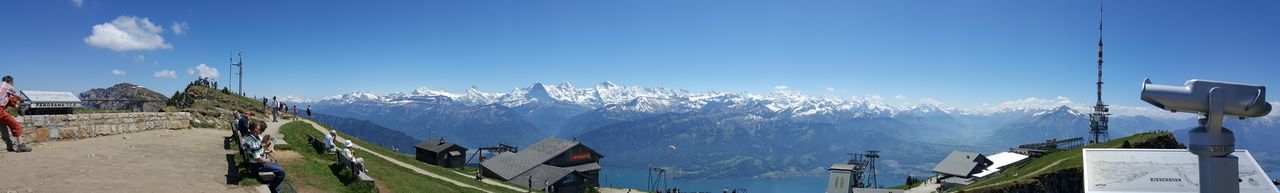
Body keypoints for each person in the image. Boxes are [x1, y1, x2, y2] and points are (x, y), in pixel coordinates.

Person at [245, 120, 286, 193]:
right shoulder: (252, 140)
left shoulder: (252, 136)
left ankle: (273, 186)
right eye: (258, 127)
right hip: (256, 165)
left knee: (277, 165)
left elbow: (257, 149)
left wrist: (264, 143)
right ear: (255, 129)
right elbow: (258, 159)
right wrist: (268, 160)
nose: (260, 128)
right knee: (281, 171)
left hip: (256, 162)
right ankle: (273, 189)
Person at [0, 76, 29, 152]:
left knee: (10, 99)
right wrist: (22, 99)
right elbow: (18, 97)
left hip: (1, 110)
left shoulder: (1, 86)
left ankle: (18, 108)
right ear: (11, 82)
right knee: (16, 125)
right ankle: (21, 145)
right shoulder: (8, 86)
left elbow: (7, 99)